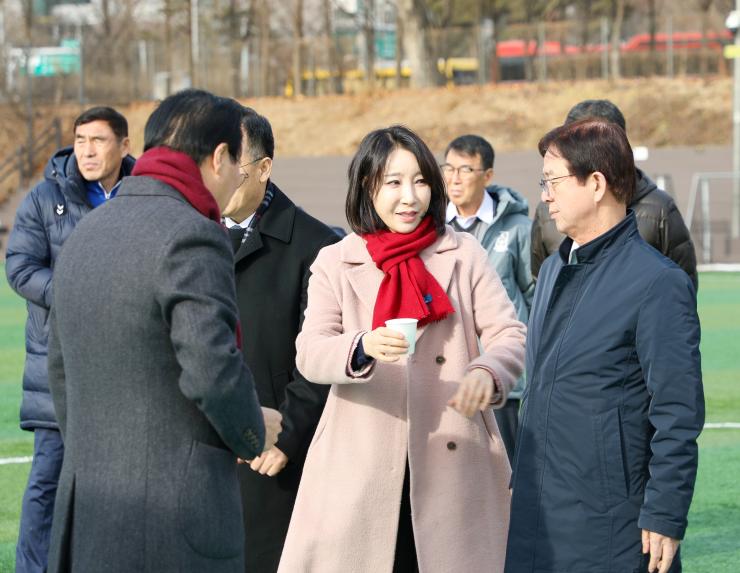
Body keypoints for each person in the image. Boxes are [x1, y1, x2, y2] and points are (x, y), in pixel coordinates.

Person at [45, 89, 282, 573]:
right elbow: (212, 371)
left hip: (88, 507)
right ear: (219, 157)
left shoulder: (86, 230)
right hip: (172, 517)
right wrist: (253, 432)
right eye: (237, 166)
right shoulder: (193, 233)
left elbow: (61, 369)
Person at [278, 125, 526, 573]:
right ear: (367, 185)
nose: (410, 197)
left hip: (455, 459)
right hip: (360, 464)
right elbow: (310, 351)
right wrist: (362, 346)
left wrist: (487, 371)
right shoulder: (336, 260)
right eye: (393, 182)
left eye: (420, 181)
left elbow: (509, 333)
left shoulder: (464, 253)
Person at [505, 119, 704, 573]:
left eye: (553, 181)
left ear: (596, 184)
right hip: (539, 507)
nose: (545, 196)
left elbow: (678, 411)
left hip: (611, 518)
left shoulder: (657, 282)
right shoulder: (554, 269)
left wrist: (665, 511)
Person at [5, 106, 135, 573]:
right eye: (80, 140)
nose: (87, 150)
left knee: (121, 484)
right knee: (47, 481)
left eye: (98, 140)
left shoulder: (145, 194)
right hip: (57, 365)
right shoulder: (44, 197)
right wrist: (78, 294)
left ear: (124, 145)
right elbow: (20, 267)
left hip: (126, 366)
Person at [221, 107, 340, 572]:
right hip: (203, 454)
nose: (220, 176)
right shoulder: (191, 236)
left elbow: (321, 358)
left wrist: (286, 436)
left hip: (273, 458)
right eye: (214, 162)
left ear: (264, 168)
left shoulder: (314, 245)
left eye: (234, 164)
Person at [530, 99, 698, 290]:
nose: (547, 196)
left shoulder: (660, 209)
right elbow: (539, 287)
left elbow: (682, 285)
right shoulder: (547, 213)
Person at [442, 134, 533, 463]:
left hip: (502, 378)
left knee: (506, 471)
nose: (454, 178)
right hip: (447, 375)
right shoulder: (432, 227)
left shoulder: (519, 228)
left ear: (488, 175)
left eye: (465, 169)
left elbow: (535, 296)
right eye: (449, 168)